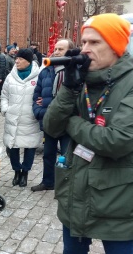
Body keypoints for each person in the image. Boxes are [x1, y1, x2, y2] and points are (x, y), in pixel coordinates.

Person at [43, 13, 133, 254]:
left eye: (94, 43)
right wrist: (69, 89)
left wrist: (72, 122)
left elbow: (117, 141)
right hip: (76, 190)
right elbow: (51, 127)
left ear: (116, 46)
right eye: (83, 42)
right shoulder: (80, 81)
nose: (85, 49)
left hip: (116, 197)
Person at [31, 38, 75, 192]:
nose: (56, 52)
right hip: (49, 121)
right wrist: (40, 112)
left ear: (69, 51)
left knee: (66, 157)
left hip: (68, 123)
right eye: (55, 48)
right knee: (48, 155)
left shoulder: (74, 72)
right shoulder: (46, 71)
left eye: (61, 49)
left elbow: (77, 98)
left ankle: (66, 187)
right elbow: (37, 95)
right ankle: (48, 182)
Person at [1, 48, 42, 187]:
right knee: (13, 147)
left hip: (30, 118)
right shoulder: (11, 76)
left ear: (28, 61)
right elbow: (4, 94)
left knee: (30, 147)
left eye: (20, 59)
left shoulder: (38, 76)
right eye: (16, 58)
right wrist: (5, 109)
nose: (16, 61)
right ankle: (16, 170)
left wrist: (38, 109)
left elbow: (42, 94)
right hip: (13, 118)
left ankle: (25, 172)